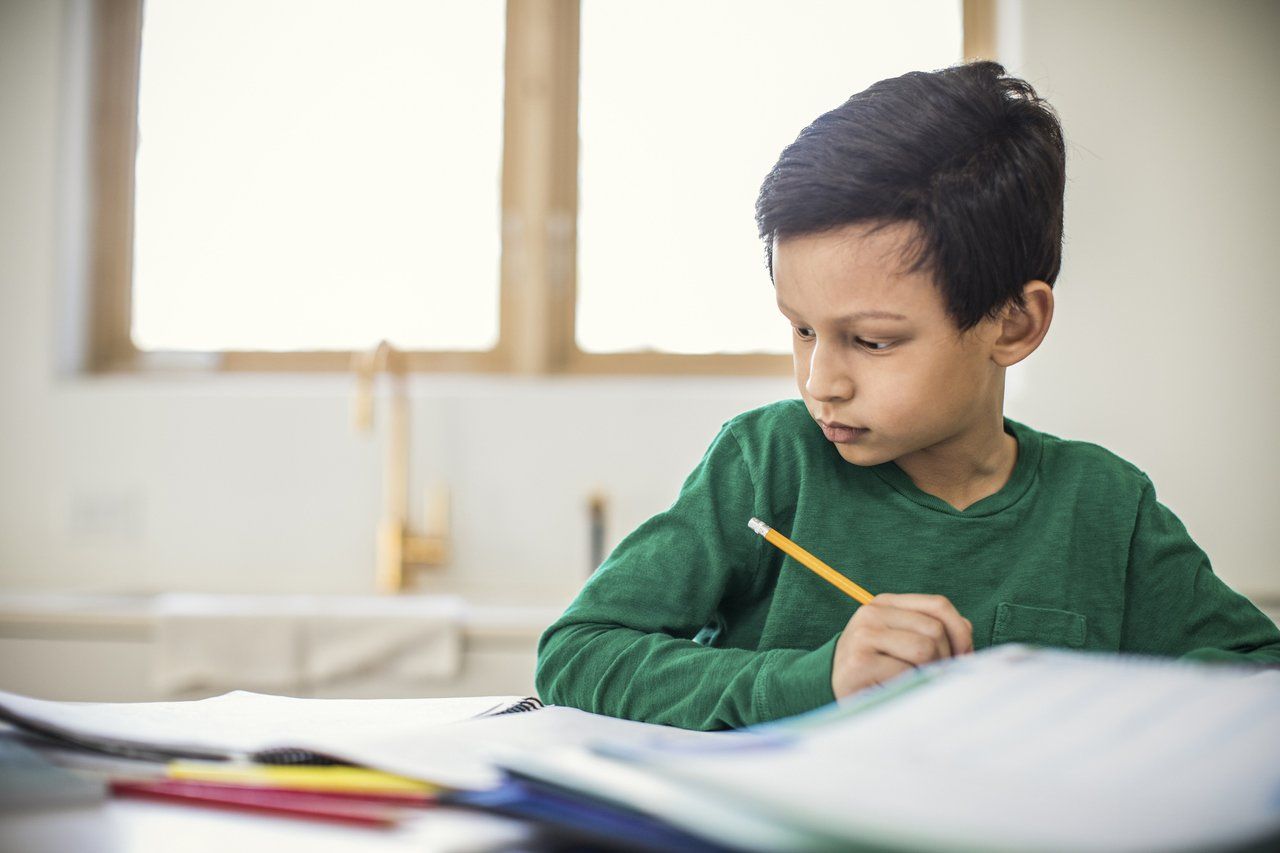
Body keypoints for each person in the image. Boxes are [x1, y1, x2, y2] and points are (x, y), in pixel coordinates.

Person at [535, 61, 1280, 731]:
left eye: (873, 341)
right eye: (801, 329)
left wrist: (1091, 699)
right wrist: (815, 677)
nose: (820, 381)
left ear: (1014, 324)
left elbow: (1259, 674)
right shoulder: (768, 462)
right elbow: (577, 654)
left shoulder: (1106, 507)